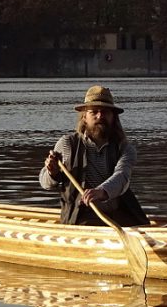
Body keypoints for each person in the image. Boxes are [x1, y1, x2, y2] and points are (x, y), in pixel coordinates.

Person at [40, 85, 147, 226]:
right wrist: (52, 173)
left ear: (113, 117)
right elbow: (44, 183)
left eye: (105, 112)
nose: (100, 116)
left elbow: (122, 176)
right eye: (94, 112)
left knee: (142, 227)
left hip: (118, 215)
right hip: (81, 217)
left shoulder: (125, 148)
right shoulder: (67, 144)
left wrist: (101, 191)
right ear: (84, 117)